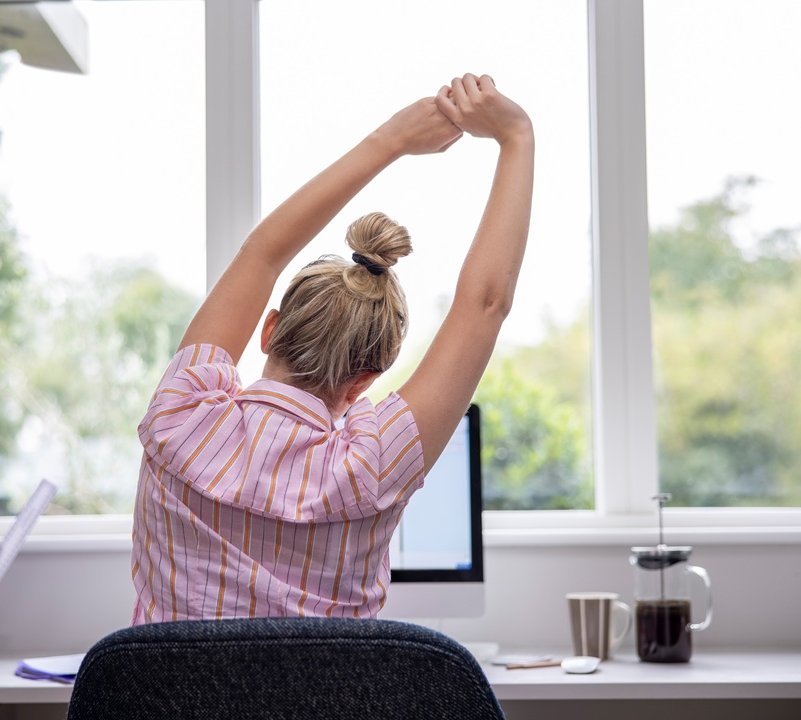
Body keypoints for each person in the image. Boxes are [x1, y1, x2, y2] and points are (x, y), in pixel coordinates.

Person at [131, 73, 534, 624]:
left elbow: (261, 255)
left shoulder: (181, 412)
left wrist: (391, 140)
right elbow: (485, 306)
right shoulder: (371, 464)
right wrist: (517, 137)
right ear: (366, 378)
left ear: (268, 328)